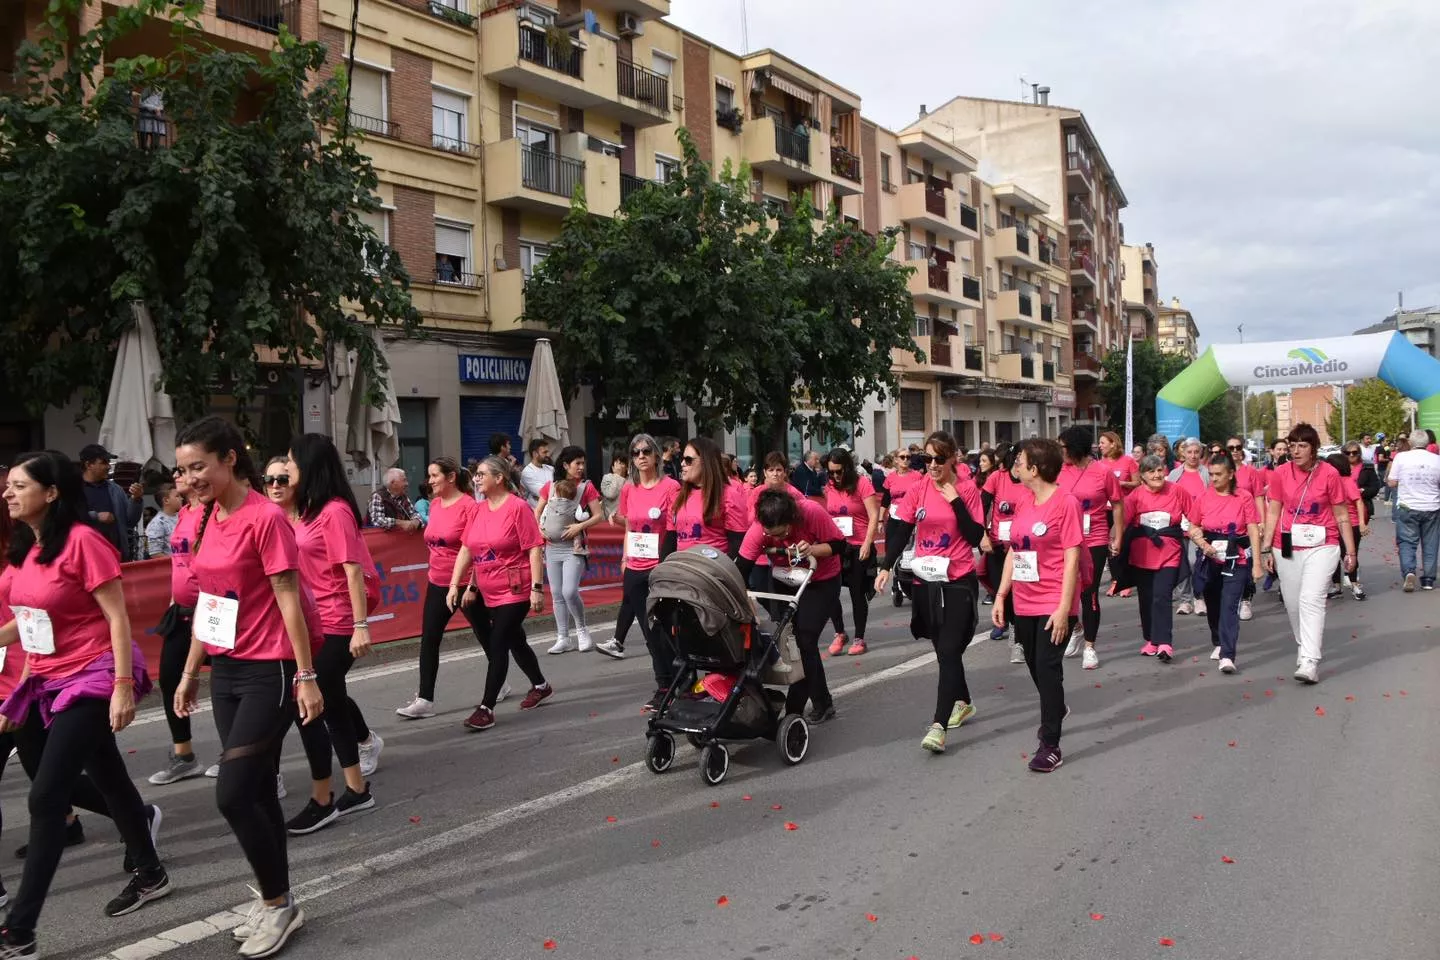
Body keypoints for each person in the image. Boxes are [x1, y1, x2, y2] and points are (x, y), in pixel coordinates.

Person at [0, 451, 169, 956]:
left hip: (93, 674)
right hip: (51, 678)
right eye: (7, 486)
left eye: (18, 485)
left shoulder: (83, 542)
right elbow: (30, 624)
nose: (8, 493)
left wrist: (121, 686)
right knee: (109, 776)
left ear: (51, 492)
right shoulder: (29, 548)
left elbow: (118, 619)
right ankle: (151, 869)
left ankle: (21, 931)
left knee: (46, 796)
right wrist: (21, 679)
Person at [172, 418, 317, 957]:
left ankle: (278, 906)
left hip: (272, 667)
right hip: (227, 670)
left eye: (198, 467)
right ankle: (279, 899)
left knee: (231, 792)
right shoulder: (208, 516)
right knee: (255, 791)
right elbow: (211, 604)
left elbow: (288, 597)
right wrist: (191, 672)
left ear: (230, 458)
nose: (189, 478)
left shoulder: (265, 518)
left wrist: (306, 675)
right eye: (184, 469)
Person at [283, 435, 382, 836]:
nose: (284, 471)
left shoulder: (336, 512)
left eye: (289, 464)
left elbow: (353, 570)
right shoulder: (305, 511)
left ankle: (324, 797)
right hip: (313, 619)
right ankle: (357, 788)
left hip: (338, 620)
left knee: (310, 699)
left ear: (308, 466)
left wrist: (360, 626)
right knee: (332, 702)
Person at [875, 431, 986, 755]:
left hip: (958, 580)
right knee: (944, 651)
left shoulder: (966, 489)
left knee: (950, 650)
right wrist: (885, 566)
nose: (932, 465)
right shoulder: (919, 487)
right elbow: (902, 530)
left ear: (953, 458)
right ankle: (963, 702)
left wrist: (954, 500)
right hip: (925, 581)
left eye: (939, 459)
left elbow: (976, 534)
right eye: (927, 459)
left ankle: (938, 725)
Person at [990, 439, 1079, 773]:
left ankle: (1050, 744)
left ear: (1036, 467)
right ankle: (1055, 706)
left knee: (1046, 667)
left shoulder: (1065, 503)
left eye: (1021, 459)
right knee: (1033, 665)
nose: (1015, 464)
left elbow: (1072, 558)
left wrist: (1063, 608)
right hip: (1024, 601)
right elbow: (1015, 550)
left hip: (1053, 600)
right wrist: (1001, 594)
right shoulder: (1024, 501)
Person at [446, 456, 554, 732]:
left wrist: (537, 590)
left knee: (498, 643)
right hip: (487, 588)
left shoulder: (518, 508)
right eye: (476, 474)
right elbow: (469, 550)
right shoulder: (478, 510)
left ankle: (486, 708)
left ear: (499, 478)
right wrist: (458, 585)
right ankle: (541, 685)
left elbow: (533, 549)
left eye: (482, 474)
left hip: (515, 590)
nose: (476, 479)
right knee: (516, 641)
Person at [735, 491, 843, 724]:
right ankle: (819, 701)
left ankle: (800, 708)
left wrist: (812, 549)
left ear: (791, 520)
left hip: (821, 580)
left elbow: (839, 545)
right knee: (790, 642)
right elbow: (741, 568)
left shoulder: (811, 512)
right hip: (786, 579)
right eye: (771, 535)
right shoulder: (758, 530)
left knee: (805, 640)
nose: (780, 539)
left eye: (783, 533)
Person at [1261, 424, 1356, 684]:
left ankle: (1311, 660)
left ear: (1314, 448)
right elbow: (1273, 511)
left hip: (1323, 544)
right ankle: (1304, 645)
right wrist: (1267, 547)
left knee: (1311, 598)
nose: (1295, 451)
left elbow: (1341, 515)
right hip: (1287, 545)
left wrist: (1351, 551)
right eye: (1292, 446)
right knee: (1292, 603)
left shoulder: (1330, 474)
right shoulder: (1280, 473)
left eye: (1302, 445)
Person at [397, 458, 484, 719]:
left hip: (466, 584)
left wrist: (471, 586)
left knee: (487, 635)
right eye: (429, 475)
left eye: (435, 475)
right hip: (437, 583)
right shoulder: (434, 504)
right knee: (429, 639)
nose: (430, 481)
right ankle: (424, 699)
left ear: (451, 477)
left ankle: (505, 680)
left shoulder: (469, 506)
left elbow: (478, 549)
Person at [599, 436, 680, 702]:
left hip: (660, 565)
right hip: (635, 564)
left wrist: (664, 562)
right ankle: (664, 686)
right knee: (649, 632)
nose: (641, 456)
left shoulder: (671, 487)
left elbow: (672, 529)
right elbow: (629, 527)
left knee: (666, 627)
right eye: (635, 453)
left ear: (656, 455)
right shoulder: (629, 489)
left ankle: (684, 679)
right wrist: (624, 558)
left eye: (646, 451)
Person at [147, 470, 206, 786]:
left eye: (183, 471)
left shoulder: (213, 513)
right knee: (170, 678)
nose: (176, 475)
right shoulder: (183, 513)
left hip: (214, 611)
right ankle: (184, 756)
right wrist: (173, 602)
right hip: (181, 613)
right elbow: (179, 564)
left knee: (232, 682)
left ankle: (240, 755)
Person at [1186, 454, 1262, 674]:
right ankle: (1218, 641)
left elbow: (1252, 529)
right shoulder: (1203, 498)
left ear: (1230, 474)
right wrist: (1201, 542)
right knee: (1213, 601)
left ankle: (1228, 655)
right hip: (1210, 558)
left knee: (1230, 604)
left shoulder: (1244, 497)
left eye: (1219, 474)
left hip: (1235, 557)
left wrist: (1257, 563)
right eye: (1211, 474)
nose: (1214, 478)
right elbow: (1193, 526)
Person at [1056, 426, 1123, 672]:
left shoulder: (1102, 472)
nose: (1060, 452)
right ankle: (1076, 628)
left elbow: (1117, 504)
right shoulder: (1058, 471)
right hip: (1064, 540)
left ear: (1075, 447)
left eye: (1063, 447)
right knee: (1066, 590)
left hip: (1093, 539)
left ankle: (1090, 646)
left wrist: (1117, 534)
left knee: (1089, 592)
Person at [534, 446, 604, 655]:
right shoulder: (550, 487)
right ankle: (563, 637)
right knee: (556, 594)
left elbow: (598, 515)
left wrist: (579, 527)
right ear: (565, 465)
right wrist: (541, 530)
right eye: (577, 464)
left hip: (574, 548)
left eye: (583, 463)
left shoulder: (586, 487)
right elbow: (536, 512)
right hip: (552, 547)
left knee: (569, 591)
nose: (581, 468)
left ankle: (582, 631)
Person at [1122, 454, 1192, 663]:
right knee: (1146, 598)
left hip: (1169, 554)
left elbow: (1195, 514)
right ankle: (1151, 639)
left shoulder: (1177, 491)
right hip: (1142, 555)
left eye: (1160, 470)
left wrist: (1198, 534)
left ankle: (1164, 642)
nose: (1156, 475)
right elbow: (1124, 523)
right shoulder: (1134, 497)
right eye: (1151, 471)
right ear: (1142, 476)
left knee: (1161, 596)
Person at [823, 448, 880, 656]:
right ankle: (839, 632)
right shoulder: (829, 487)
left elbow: (874, 515)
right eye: (831, 472)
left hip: (858, 545)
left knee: (857, 593)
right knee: (830, 592)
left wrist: (867, 543)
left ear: (847, 467)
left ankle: (859, 637)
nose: (835, 476)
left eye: (839, 472)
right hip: (837, 545)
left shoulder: (862, 484)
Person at [981, 445, 1032, 659]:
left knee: (1019, 592)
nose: (1021, 462)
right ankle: (1012, 624)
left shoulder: (1032, 481)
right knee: (1002, 590)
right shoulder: (996, 478)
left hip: (1023, 547)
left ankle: (1018, 639)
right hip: (997, 546)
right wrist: (982, 535)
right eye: (1019, 457)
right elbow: (980, 508)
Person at [1386, 428, 1440, 592]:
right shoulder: (1437, 460)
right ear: (1427, 443)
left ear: (1410, 442)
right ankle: (1428, 580)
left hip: (1408, 506)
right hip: (1432, 506)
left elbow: (1392, 482)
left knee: (1407, 542)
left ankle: (1409, 572)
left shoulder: (1401, 457)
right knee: (1430, 544)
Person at [672, 437, 745, 557]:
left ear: (705, 461)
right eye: (682, 459)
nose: (682, 463)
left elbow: (738, 545)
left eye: (688, 460)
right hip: (683, 570)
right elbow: (672, 538)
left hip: (713, 571)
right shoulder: (680, 495)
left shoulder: (729, 495)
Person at [78, 444, 144, 561]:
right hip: (86, 558)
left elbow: (130, 521)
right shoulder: (73, 490)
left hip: (116, 557)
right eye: (103, 462)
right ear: (88, 465)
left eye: (108, 462)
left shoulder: (115, 489)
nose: (108, 466)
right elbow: (66, 519)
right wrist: (96, 516)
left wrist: (136, 499)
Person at [1168, 438, 1209, 616]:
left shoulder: (1207, 474)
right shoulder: (1175, 475)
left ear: (1201, 453)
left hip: (1199, 526)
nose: (1193, 456)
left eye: (1196, 452)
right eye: (1189, 452)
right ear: (1182, 453)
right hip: (1179, 525)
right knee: (1180, 563)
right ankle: (1185, 600)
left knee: (1195, 562)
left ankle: (1199, 597)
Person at [1228, 435, 1266, 620]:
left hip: (1248, 524)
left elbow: (1258, 496)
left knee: (1247, 563)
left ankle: (1246, 599)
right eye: (1231, 448)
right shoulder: (1220, 472)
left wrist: (1262, 521)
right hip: (1227, 525)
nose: (1234, 451)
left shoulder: (1250, 472)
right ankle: (1232, 598)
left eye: (1237, 447)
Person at [1324, 451, 1368, 601]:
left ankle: (1355, 584)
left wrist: (1362, 523)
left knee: (1349, 555)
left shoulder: (1347, 481)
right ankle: (1336, 586)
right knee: (1332, 557)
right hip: (1331, 524)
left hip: (1351, 524)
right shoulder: (1327, 481)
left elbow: (1359, 502)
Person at [368, 468, 423, 533]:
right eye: (404, 480)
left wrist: (416, 521)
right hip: (382, 540)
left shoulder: (403, 497)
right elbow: (377, 520)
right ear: (393, 483)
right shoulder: (378, 496)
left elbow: (414, 513)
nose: (407, 484)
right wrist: (400, 523)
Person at [144, 482, 182, 559]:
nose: (181, 498)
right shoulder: (157, 523)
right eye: (177, 496)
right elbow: (155, 553)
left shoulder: (182, 516)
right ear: (166, 501)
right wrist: (177, 563)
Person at [1348, 441, 1382, 527]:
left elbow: (1375, 487)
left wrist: (1363, 491)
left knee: (1355, 535)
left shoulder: (1367, 467)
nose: (1351, 455)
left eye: (1354, 452)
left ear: (1359, 453)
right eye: (1348, 453)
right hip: (1343, 507)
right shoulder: (1339, 467)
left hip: (1362, 506)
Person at [520, 439, 554, 507]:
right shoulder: (527, 472)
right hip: (535, 513)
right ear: (535, 454)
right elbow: (542, 493)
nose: (548, 455)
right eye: (545, 452)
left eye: (548, 452)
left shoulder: (551, 468)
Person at [600, 453, 628, 520]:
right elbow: (611, 494)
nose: (619, 466)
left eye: (621, 463)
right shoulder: (607, 478)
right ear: (612, 467)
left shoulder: (630, 481)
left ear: (627, 467)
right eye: (616, 463)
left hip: (626, 519)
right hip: (610, 520)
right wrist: (617, 475)